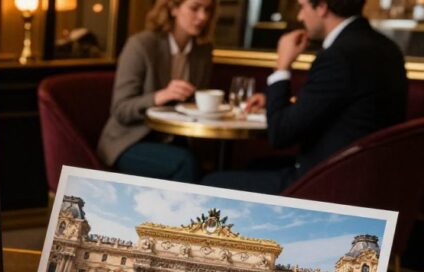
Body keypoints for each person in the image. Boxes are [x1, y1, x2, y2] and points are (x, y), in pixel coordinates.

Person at [203, 0, 406, 194]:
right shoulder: (387, 48)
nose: (300, 16)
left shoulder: (338, 55)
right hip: (369, 180)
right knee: (253, 166)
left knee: (210, 183)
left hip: (330, 186)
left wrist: (282, 65)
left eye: (302, 6)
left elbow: (280, 134)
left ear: (322, 7)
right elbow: (336, 108)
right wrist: (273, 100)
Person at [95, 0, 215, 182]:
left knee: (212, 164)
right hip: (130, 140)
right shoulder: (141, 45)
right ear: (173, 8)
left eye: (208, 10)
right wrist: (161, 95)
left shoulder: (203, 51)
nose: (203, 17)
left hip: (175, 137)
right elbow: (121, 109)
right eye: (195, 8)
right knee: (185, 162)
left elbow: (196, 103)